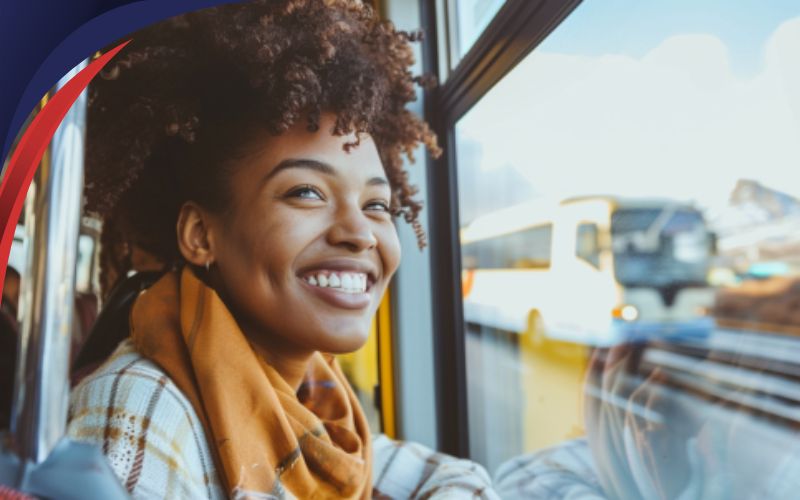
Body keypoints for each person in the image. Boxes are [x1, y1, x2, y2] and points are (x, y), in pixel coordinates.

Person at [66, 1, 497, 499]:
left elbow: (458, 479)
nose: (360, 233)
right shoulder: (141, 409)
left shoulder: (313, 391)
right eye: (306, 192)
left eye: (378, 204)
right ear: (201, 235)